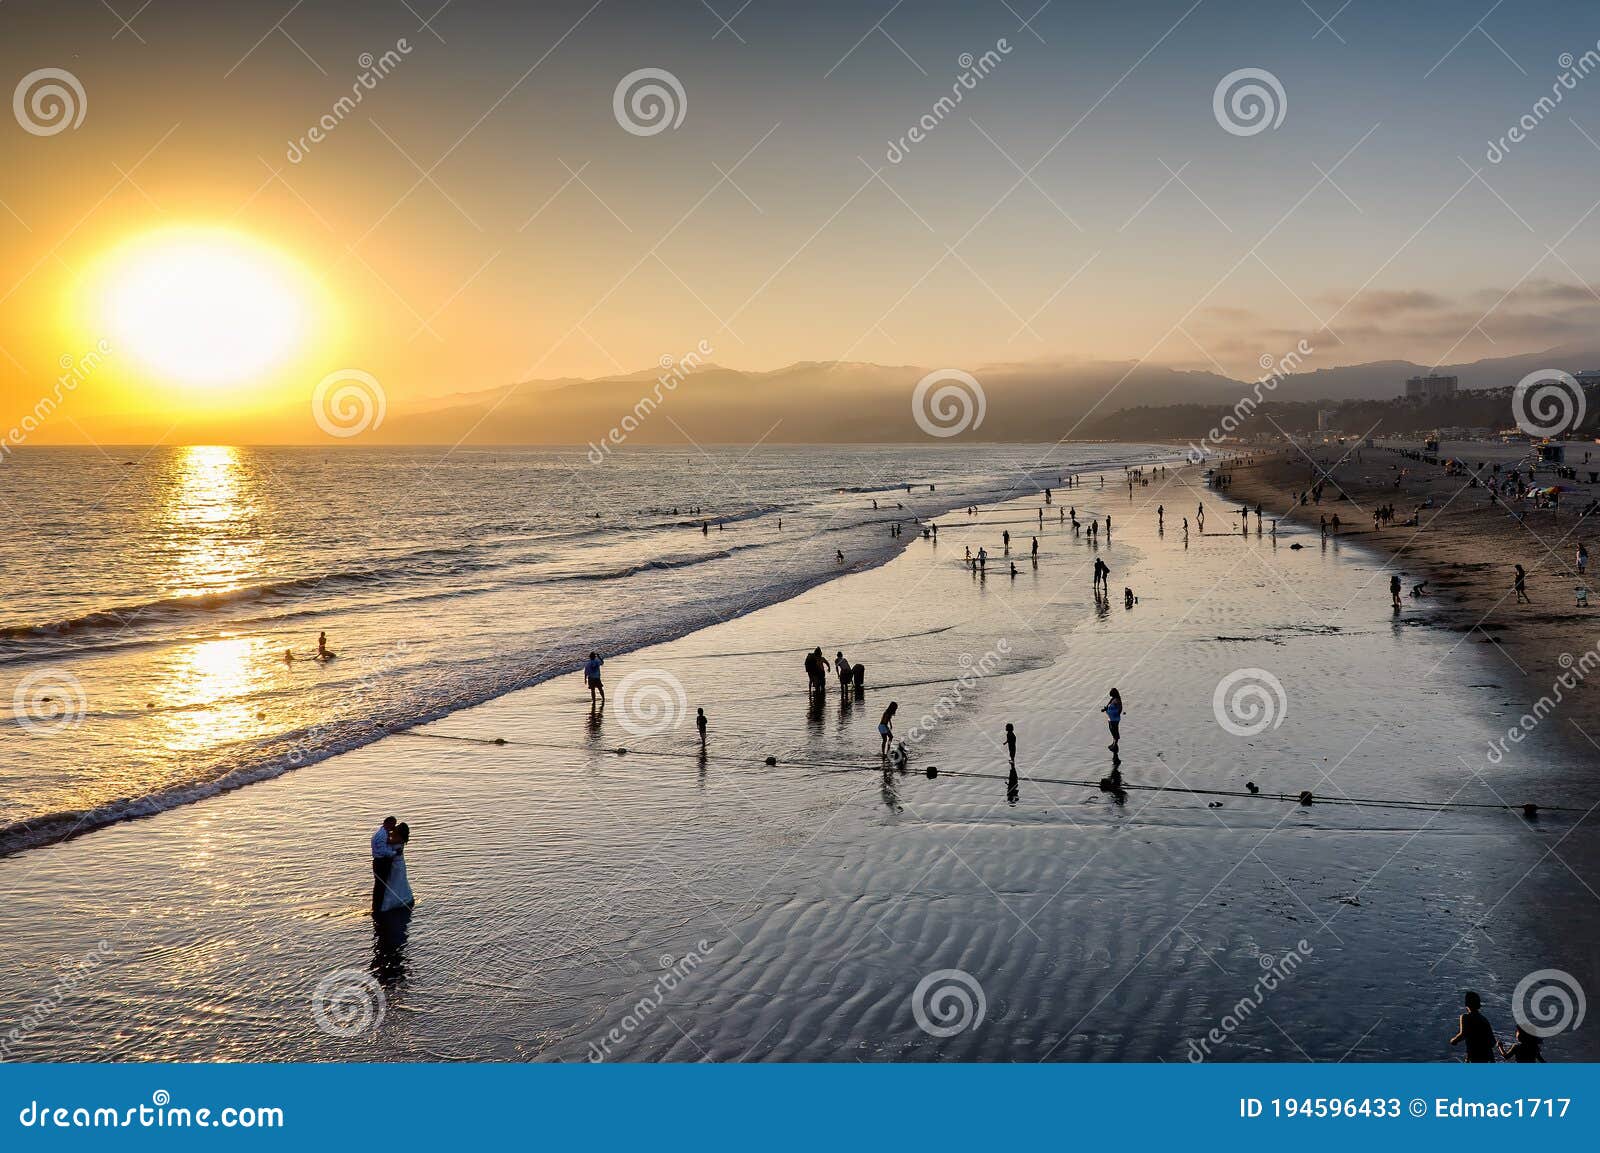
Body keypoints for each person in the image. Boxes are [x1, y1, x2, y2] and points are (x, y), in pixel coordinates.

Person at [376, 822, 414, 913]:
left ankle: (393, 901)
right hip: (394, 862)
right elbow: (388, 834)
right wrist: (390, 829)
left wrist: (386, 831)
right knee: (393, 881)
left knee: (396, 881)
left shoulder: (400, 839)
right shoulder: (397, 835)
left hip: (397, 863)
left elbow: (387, 841)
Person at [1449, 991, 1497, 1063]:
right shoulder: (1484, 1019)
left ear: (1466, 1004)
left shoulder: (1465, 1017)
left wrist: (1453, 1040)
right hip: (1485, 1057)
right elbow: (1492, 1042)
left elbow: (1463, 1033)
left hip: (1473, 1056)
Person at [1102, 688, 1123, 754]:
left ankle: (1115, 745)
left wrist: (1114, 713)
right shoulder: (1113, 699)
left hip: (1115, 719)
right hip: (1110, 719)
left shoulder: (1118, 700)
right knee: (1112, 731)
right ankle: (1113, 743)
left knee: (1115, 731)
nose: (1110, 695)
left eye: (1111, 693)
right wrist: (1105, 709)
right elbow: (1108, 706)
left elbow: (1120, 709)